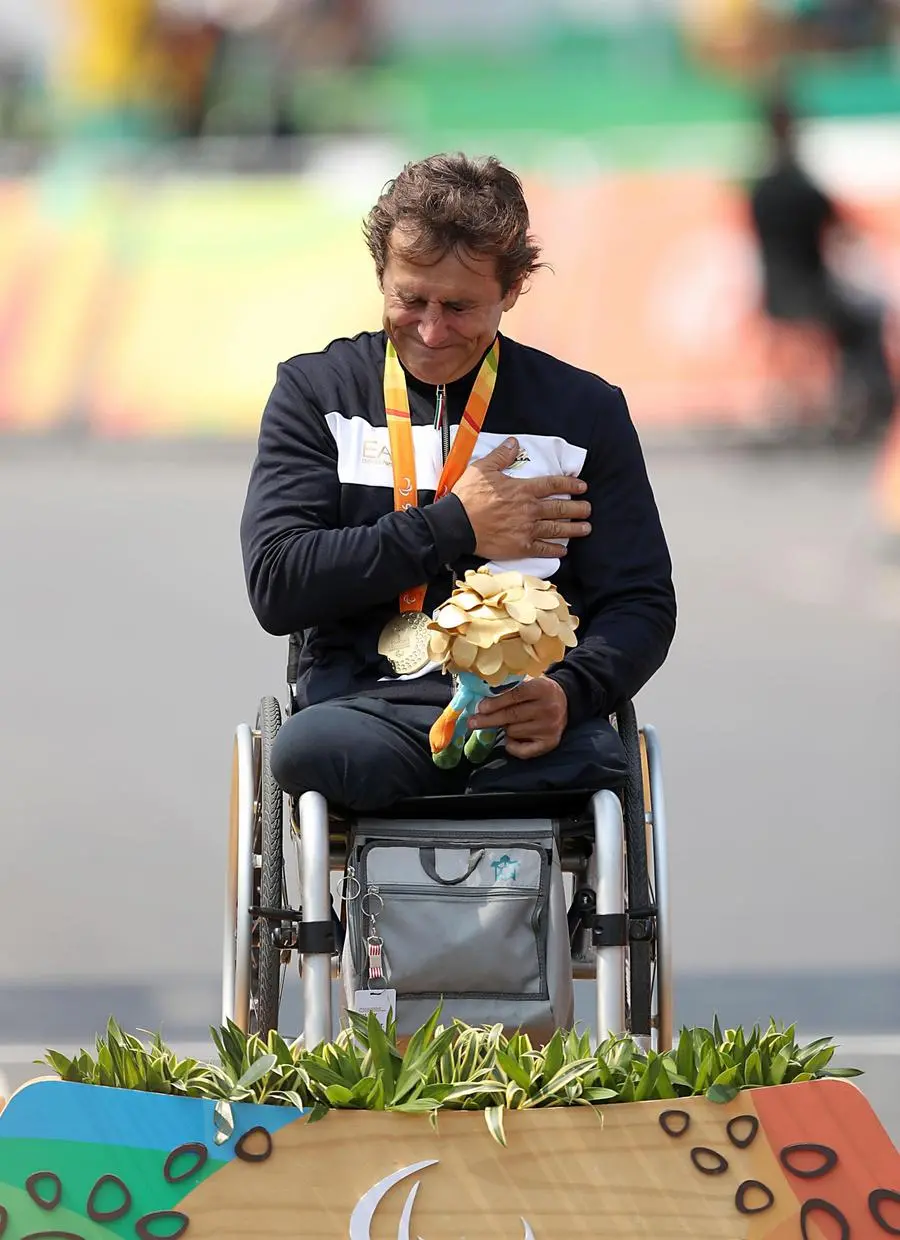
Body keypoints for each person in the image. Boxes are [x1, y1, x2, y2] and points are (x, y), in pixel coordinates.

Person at [240, 153, 676, 812]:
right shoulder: (316, 393)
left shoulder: (583, 412)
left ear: (513, 289)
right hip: (368, 710)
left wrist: (570, 693)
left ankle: (491, 779)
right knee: (309, 751)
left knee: (586, 766)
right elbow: (277, 583)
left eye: (461, 307)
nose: (432, 330)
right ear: (381, 274)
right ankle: (472, 786)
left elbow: (641, 600)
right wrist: (455, 524)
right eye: (410, 299)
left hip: (525, 716)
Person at [749, 95, 895, 437]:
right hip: (812, 296)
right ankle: (870, 404)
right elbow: (841, 228)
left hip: (775, 298)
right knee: (866, 321)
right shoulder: (802, 186)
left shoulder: (761, 189)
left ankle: (849, 404)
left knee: (851, 317)